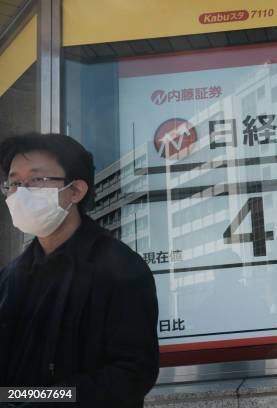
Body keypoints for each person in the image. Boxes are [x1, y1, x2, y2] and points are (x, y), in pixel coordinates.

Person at [0, 133, 159, 407]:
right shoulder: (11, 276)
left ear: (76, 190)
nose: (21, 193)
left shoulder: (120, 268)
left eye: (36, 180)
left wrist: (44, 401)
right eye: (14, 183)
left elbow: (132, 373)